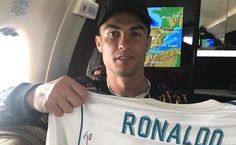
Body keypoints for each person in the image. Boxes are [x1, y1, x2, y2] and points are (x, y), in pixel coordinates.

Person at [0, 0, 189, 128]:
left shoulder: (173, 100)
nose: (124, 44)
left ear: (148, 43)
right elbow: (5, 112)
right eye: (113, 34)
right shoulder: (76, 95)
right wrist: (34, 95)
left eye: (135, 33)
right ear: (99, 43)